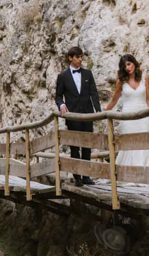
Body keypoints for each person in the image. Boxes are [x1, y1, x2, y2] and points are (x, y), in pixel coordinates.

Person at [55, 46, 102, 187]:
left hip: (87, 114)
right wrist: (61, 105)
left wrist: (98, 111)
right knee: (75, 147)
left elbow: (94, 93)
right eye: (77, 57)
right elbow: (58, 96)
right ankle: (77, 177)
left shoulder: (88, 74)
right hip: (73, 116)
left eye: (81, 57)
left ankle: (87, 176)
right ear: (70, 58)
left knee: (87, 145)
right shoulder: (62, 76)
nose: (80, 59)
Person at [105, 54, 149, 168]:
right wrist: (103, 112)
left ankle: (144, 173)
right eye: (124, 66)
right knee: (129, 144)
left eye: (129, 64)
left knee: (143, 145)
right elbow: (114, 100)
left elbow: (148, 99)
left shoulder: (144, 78)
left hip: (143, 117)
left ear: (134, 63)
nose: (127, 68)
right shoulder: (121, 81)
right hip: (127, 117)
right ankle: (126, 173)